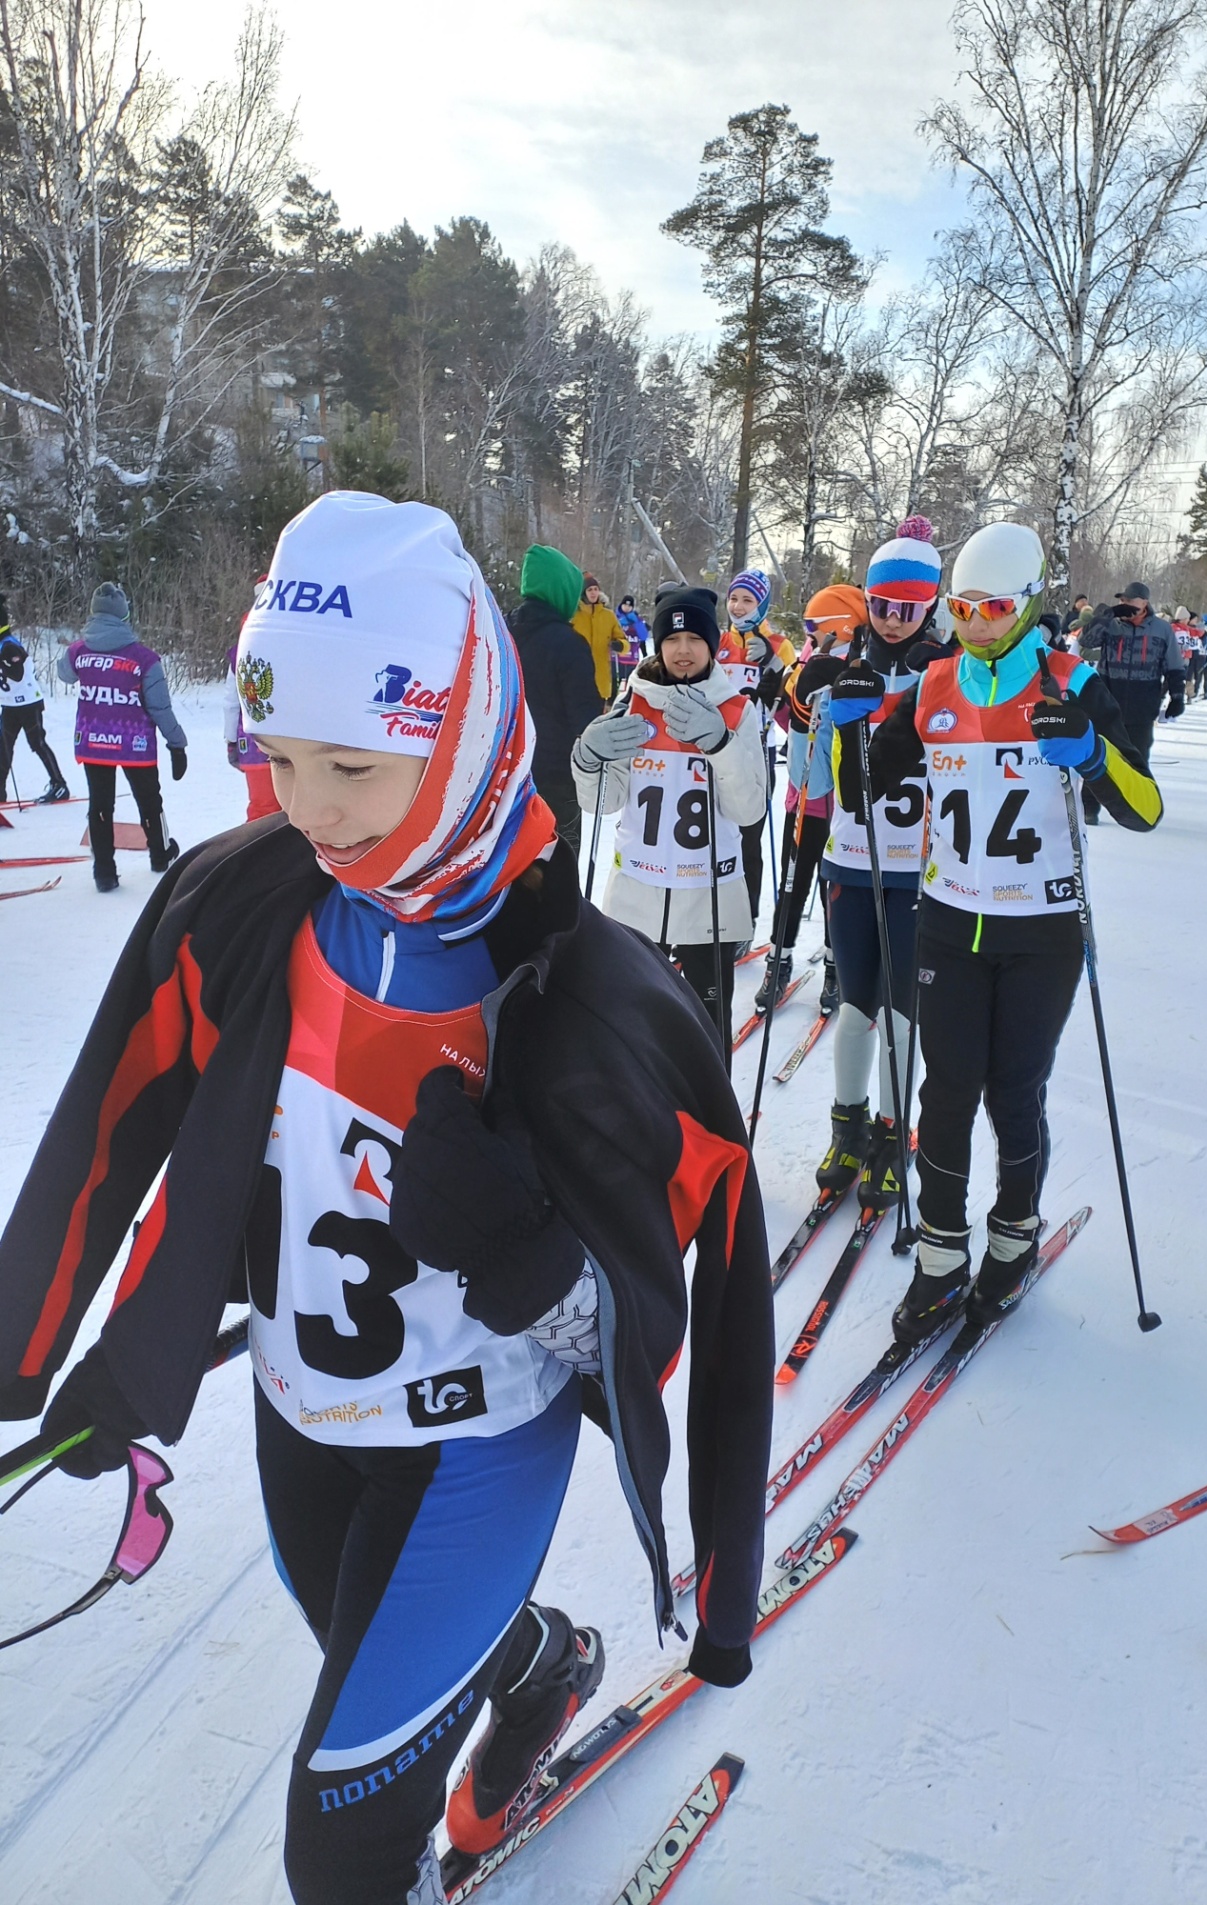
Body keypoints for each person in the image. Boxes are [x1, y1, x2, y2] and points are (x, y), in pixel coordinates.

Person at [0, 492, 773, 1905]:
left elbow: (661, 1333)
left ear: (466, 732)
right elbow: (114, 1128)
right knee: (370, 1660)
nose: (310, 808)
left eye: (353, 766)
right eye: (278, 758)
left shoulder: (586, 992)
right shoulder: (242, 899)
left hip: (473, 1452)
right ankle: (540, 1664)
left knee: (341, 1841)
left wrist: (524, 1254)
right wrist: (56, 1353)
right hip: (300, 1416)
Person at [860, 521, 1162, 1343]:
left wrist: (1093, 752)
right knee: (945, 1090)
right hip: (949, 920)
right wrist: (832, 704)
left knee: (1012, 1091)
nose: (975, 622)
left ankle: (1012, 1234)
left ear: (1028, 604)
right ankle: (940, 1257)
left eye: (994, 607)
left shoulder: (1071, 682)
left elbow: (1145, 809)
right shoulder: (932, 686)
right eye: (961, 607)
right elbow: (869, 776)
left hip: (1042, 931)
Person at [807, 517, 943, 1215]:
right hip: (850, 862)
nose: (892, 620)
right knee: (855, 1000)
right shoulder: (836, 665)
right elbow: (805, 764)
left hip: (917, 871)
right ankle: (848, 1124)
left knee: (900, 1009)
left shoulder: (948, 670)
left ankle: (894, 1134)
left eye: (908, 607)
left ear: (930, 604)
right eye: (882, 605)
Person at [572, 585, 767, 1058]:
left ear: (712, 643)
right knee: (631, 1031)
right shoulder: (633, 705)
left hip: (709, 903)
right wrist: (586, 759)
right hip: (637, 899)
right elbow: (604, 801)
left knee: (707, 1036)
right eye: (673, 639)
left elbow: (750, 811)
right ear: (658, 644)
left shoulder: (737, 711)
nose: (683, 650)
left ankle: (713, 1128)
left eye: (695, 639)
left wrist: (720, 746)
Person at [763, 584, 868, 1016]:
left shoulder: (864, 666)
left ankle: (834, 964)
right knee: (793, 882)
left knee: (835, 890)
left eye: (816, 626)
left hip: (843, 805)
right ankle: (779, 959)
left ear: (842, 625)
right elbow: (786, 719)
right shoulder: (805, 663)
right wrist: (784, 697)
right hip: (803, 799)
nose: (810, 635)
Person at [59, 581, 185, 891]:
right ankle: (160, 854)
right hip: (135, 743)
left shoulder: (78, 651)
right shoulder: (144, 659)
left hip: (93, 742)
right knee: (149, 800)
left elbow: (65, 673)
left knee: (100, 806)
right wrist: (176, 742)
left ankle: (104, 872)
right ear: (124, 614)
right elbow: (160, 707)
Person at [507, 544, 604, 853]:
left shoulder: (500, 632)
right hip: (555, 777)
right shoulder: (569, 644)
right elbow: (585, 721)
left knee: (509, 867)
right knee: (557, 867)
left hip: (503, 775)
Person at [719, 568, 795, 928]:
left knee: (749, 840)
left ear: (762, 605)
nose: (738, 606)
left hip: (756, 754)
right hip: (715, 753)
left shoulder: (779, 643)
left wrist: (771, 663)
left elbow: (793, 697)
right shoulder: (717, 642)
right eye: (734, 598)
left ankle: (744, 920)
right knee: (713, 837)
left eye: (747, 600)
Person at [1081, 581, 1183, 822]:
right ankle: (1089, 807)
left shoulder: (1161, 629)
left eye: (1130, 601)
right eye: (1122, 600)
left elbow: (1174, 665)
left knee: (1138, 757)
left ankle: (1136, 807)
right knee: (1098, 754)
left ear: (1144, 603)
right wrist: (1107, 615)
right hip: (1107, 700)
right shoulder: (1111, 625)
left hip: (1143, 702)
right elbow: (1087, 642)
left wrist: (1177, 696)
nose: (1125, 604)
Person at [224, 583, 284, 823]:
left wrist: (231, 741)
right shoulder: (298, 636)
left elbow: (231, 701)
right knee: (298, 811)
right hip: (292, 739)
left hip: (252, 739)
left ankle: (255, 858)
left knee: (261, 811)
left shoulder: (241, 645)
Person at [0, 597, 69, 802]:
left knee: (37, 743)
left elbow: (17, 673)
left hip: (28, 704)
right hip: (10, 704)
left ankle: (59, 785)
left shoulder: (9, 646)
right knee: (3, 747)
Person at [571, 573, 624, 702]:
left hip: (601, 678)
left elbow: (623, 639)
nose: (593, 593)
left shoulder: (608, 615)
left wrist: (620, 645)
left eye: (596, 589)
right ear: (584, 592)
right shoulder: (574, 615)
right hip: (577, 676)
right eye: (590, 590)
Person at [614, 593, 650, 687]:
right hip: (617, 659)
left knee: (630, 687)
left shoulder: (637, 619)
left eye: (629, 606)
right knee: (615, 687)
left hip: (632, 658)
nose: (627, 607)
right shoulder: (614, 617)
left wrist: (636, 623)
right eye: (625, 605)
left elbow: (643, 636)